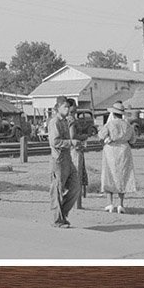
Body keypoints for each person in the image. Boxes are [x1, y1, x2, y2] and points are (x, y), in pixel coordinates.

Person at [48, 96, 83, 228]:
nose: (68, 109)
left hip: (67, 157)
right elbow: (55, 142)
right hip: (58, 159)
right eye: (65, 107)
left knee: (75, 186)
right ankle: (58, 219)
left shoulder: (64, 121)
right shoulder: (54, 122)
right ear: (58, 108)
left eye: (68, 107)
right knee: (58, 189)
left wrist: (75, 144)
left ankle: (62, 213)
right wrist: (71, 142)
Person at [99, 101, 137, 213]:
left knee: (109, 174)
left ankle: (110, 203)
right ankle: (120, 204)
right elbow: (133, 140)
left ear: (113, 114)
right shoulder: (128, 125)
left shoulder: (109, 125)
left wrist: (107, 140)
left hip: (111, 150)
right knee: (123, 175)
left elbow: (101, 135)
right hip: (124, 150)